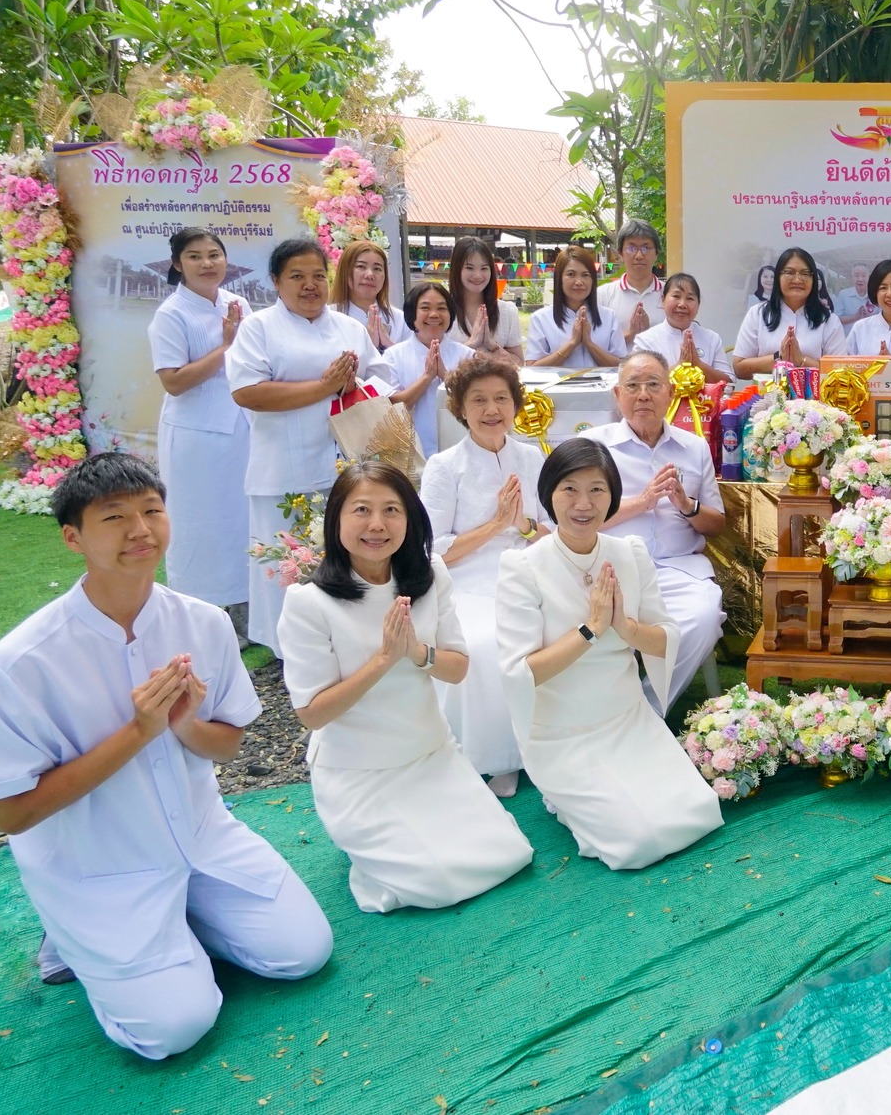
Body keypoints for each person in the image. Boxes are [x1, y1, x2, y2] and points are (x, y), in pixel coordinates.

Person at [0, 455, 331, 1060]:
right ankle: (74, 933)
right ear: (72, 537)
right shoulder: (21, 664)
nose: (140, 530)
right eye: (114, 517)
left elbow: (230, 744)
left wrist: (183, 720)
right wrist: (137, 732)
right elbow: (11, 815)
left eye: (151, 511)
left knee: (302, 953)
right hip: (101, 863)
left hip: (200, 837)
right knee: (173, 1028)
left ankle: (180, 926)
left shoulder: (203, 623)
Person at [278, 463, 533, 912]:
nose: (377, 524)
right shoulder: (309, 604)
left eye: (391, 510)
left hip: (429, 755)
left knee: (509, 855)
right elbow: (312, 713)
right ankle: (368, 839)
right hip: (359, 772)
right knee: (438, 881)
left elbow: (456, 669)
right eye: (361, 510)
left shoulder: (429, 576)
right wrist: (383, 659)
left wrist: (417, 652)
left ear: (410, 520)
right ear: (336, 520)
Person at [494, 439, 723, 869]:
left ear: (613, 495)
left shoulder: (629, 554)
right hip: (563, 732)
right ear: (549, 495)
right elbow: (519, 672)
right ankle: (563, 794)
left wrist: (626, 628)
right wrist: (591, 630)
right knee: (638, 841)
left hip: (627, 719)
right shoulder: (522, 568)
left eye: (597, 490)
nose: (584, 503)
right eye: (569, 490)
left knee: (700, 813)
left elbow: (666, 636)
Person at [228, 238, 394, 655]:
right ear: (276, 282)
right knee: (287, 562)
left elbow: (383, 385)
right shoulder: (259, 328)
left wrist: (351, 384)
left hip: (344, 466)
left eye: (318, 276)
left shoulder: (348, 328)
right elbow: (248, 392)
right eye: (297, 277)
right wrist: (323, 386)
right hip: (282, 470)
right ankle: (291, 653)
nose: (310, 286)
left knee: (347, 554)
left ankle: (348, 642)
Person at [418, 355, 551, 795]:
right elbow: (431, 550)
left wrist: (523, 526)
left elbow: (553, 531)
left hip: (530, 570)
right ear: (460, 408)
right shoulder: (444, 465)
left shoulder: (531, 457)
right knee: (484, 642)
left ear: (515, 404)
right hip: (468, 580)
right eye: (479, 400)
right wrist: (496, 525)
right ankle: (496, 758)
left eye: (500, 398)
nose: (491, 409)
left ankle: (551, 744)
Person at [585, 351, 727, 710]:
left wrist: (686, 505)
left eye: (652, 385)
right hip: (611, 568)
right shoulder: (595, 447)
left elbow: (717, 524)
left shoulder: (693, 447)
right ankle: (612, 710)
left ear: (670, 393)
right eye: (632, 386)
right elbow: (577, 521)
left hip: (678, 567)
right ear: (618, 396)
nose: (643, 395)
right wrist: (642, 500)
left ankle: (644, 710)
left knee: (704, 619)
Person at [147, 228, 250, 625]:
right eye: (195, 257)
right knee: (200, 521)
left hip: (240, 427)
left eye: (214, 255)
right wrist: (225, 348)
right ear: (178, 265)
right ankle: (202, 612)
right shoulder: (171, 315)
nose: (207, 264)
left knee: (238, 516)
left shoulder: (236, 303)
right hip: (196, 436)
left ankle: (245, 607)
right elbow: (173, 381)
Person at [383, 282, 472, 457]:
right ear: (412, 314)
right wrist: (427, 377)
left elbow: (477, 402)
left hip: (462, 453)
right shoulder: (393, 356)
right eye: (425, 308)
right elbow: (390, 408)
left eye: (441, 308)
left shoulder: (468, 355)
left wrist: (446, 376)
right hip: (411, 457)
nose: (434, 314)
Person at [731, 245, 850, 376]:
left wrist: (801, 360)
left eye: (805, 273)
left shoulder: (828, 320)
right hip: (767, 395)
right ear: (778, 277)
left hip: (814, 396)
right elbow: (739, 368)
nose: (797, 279)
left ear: (813, 280)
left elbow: (840, 374)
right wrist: (779, 357)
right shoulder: (757, 314)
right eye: (789, 272)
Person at [527, 244, 620, 370]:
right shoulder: (540, 319)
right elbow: (532, 368)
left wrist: (589, 344)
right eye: (571, 274)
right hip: (556, 389)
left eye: (585, 275)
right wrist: (572, 343)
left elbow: (622, 366)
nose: (579, 282)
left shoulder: (609, 316)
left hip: (602, 389)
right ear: (559, 278)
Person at [632, 272, 733, 384]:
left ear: (698, 305)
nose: (682, 304)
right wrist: (680, 365)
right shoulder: (645, 340)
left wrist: (698, 365)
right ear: (663, 300)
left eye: (689, 298)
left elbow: (729, 384)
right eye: (676, 296)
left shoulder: (712, 338)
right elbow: (640, 382)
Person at [445, 236, 524, 362]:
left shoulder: (507, 311)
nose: (478, 275)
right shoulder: (443, 312)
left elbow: (519, 362)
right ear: (456, 269)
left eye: (484, 268)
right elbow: (437, 365)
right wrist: (471, 344)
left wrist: (492, 346)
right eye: (469, 268)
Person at [598, 220, 666, 355]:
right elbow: (594, 345)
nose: (639, 256)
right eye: (631, 248)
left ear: (656, 253)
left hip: (661, 372)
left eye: (646, 248)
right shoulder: (602, 295)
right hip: (616, 372)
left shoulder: (670, 294)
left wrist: (649, 334)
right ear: (621, 254)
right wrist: (630, 334)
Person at [329, 239, 410, 351]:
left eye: (377, 269)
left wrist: (389, 346)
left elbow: (411, 364)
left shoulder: (400, 320)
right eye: (361, 267)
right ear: (345, 271)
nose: (370, 275)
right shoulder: (328, 317)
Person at [833, 261, 874, 326]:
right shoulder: (843, 295)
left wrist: (869, 317)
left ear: (868, 276)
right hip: (848, 336)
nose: (860, 279)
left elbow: (883, 319)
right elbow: (836, 319)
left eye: (863, 275)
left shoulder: (875, 295)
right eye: (856, 275)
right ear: (852, 277)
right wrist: (855, 317)